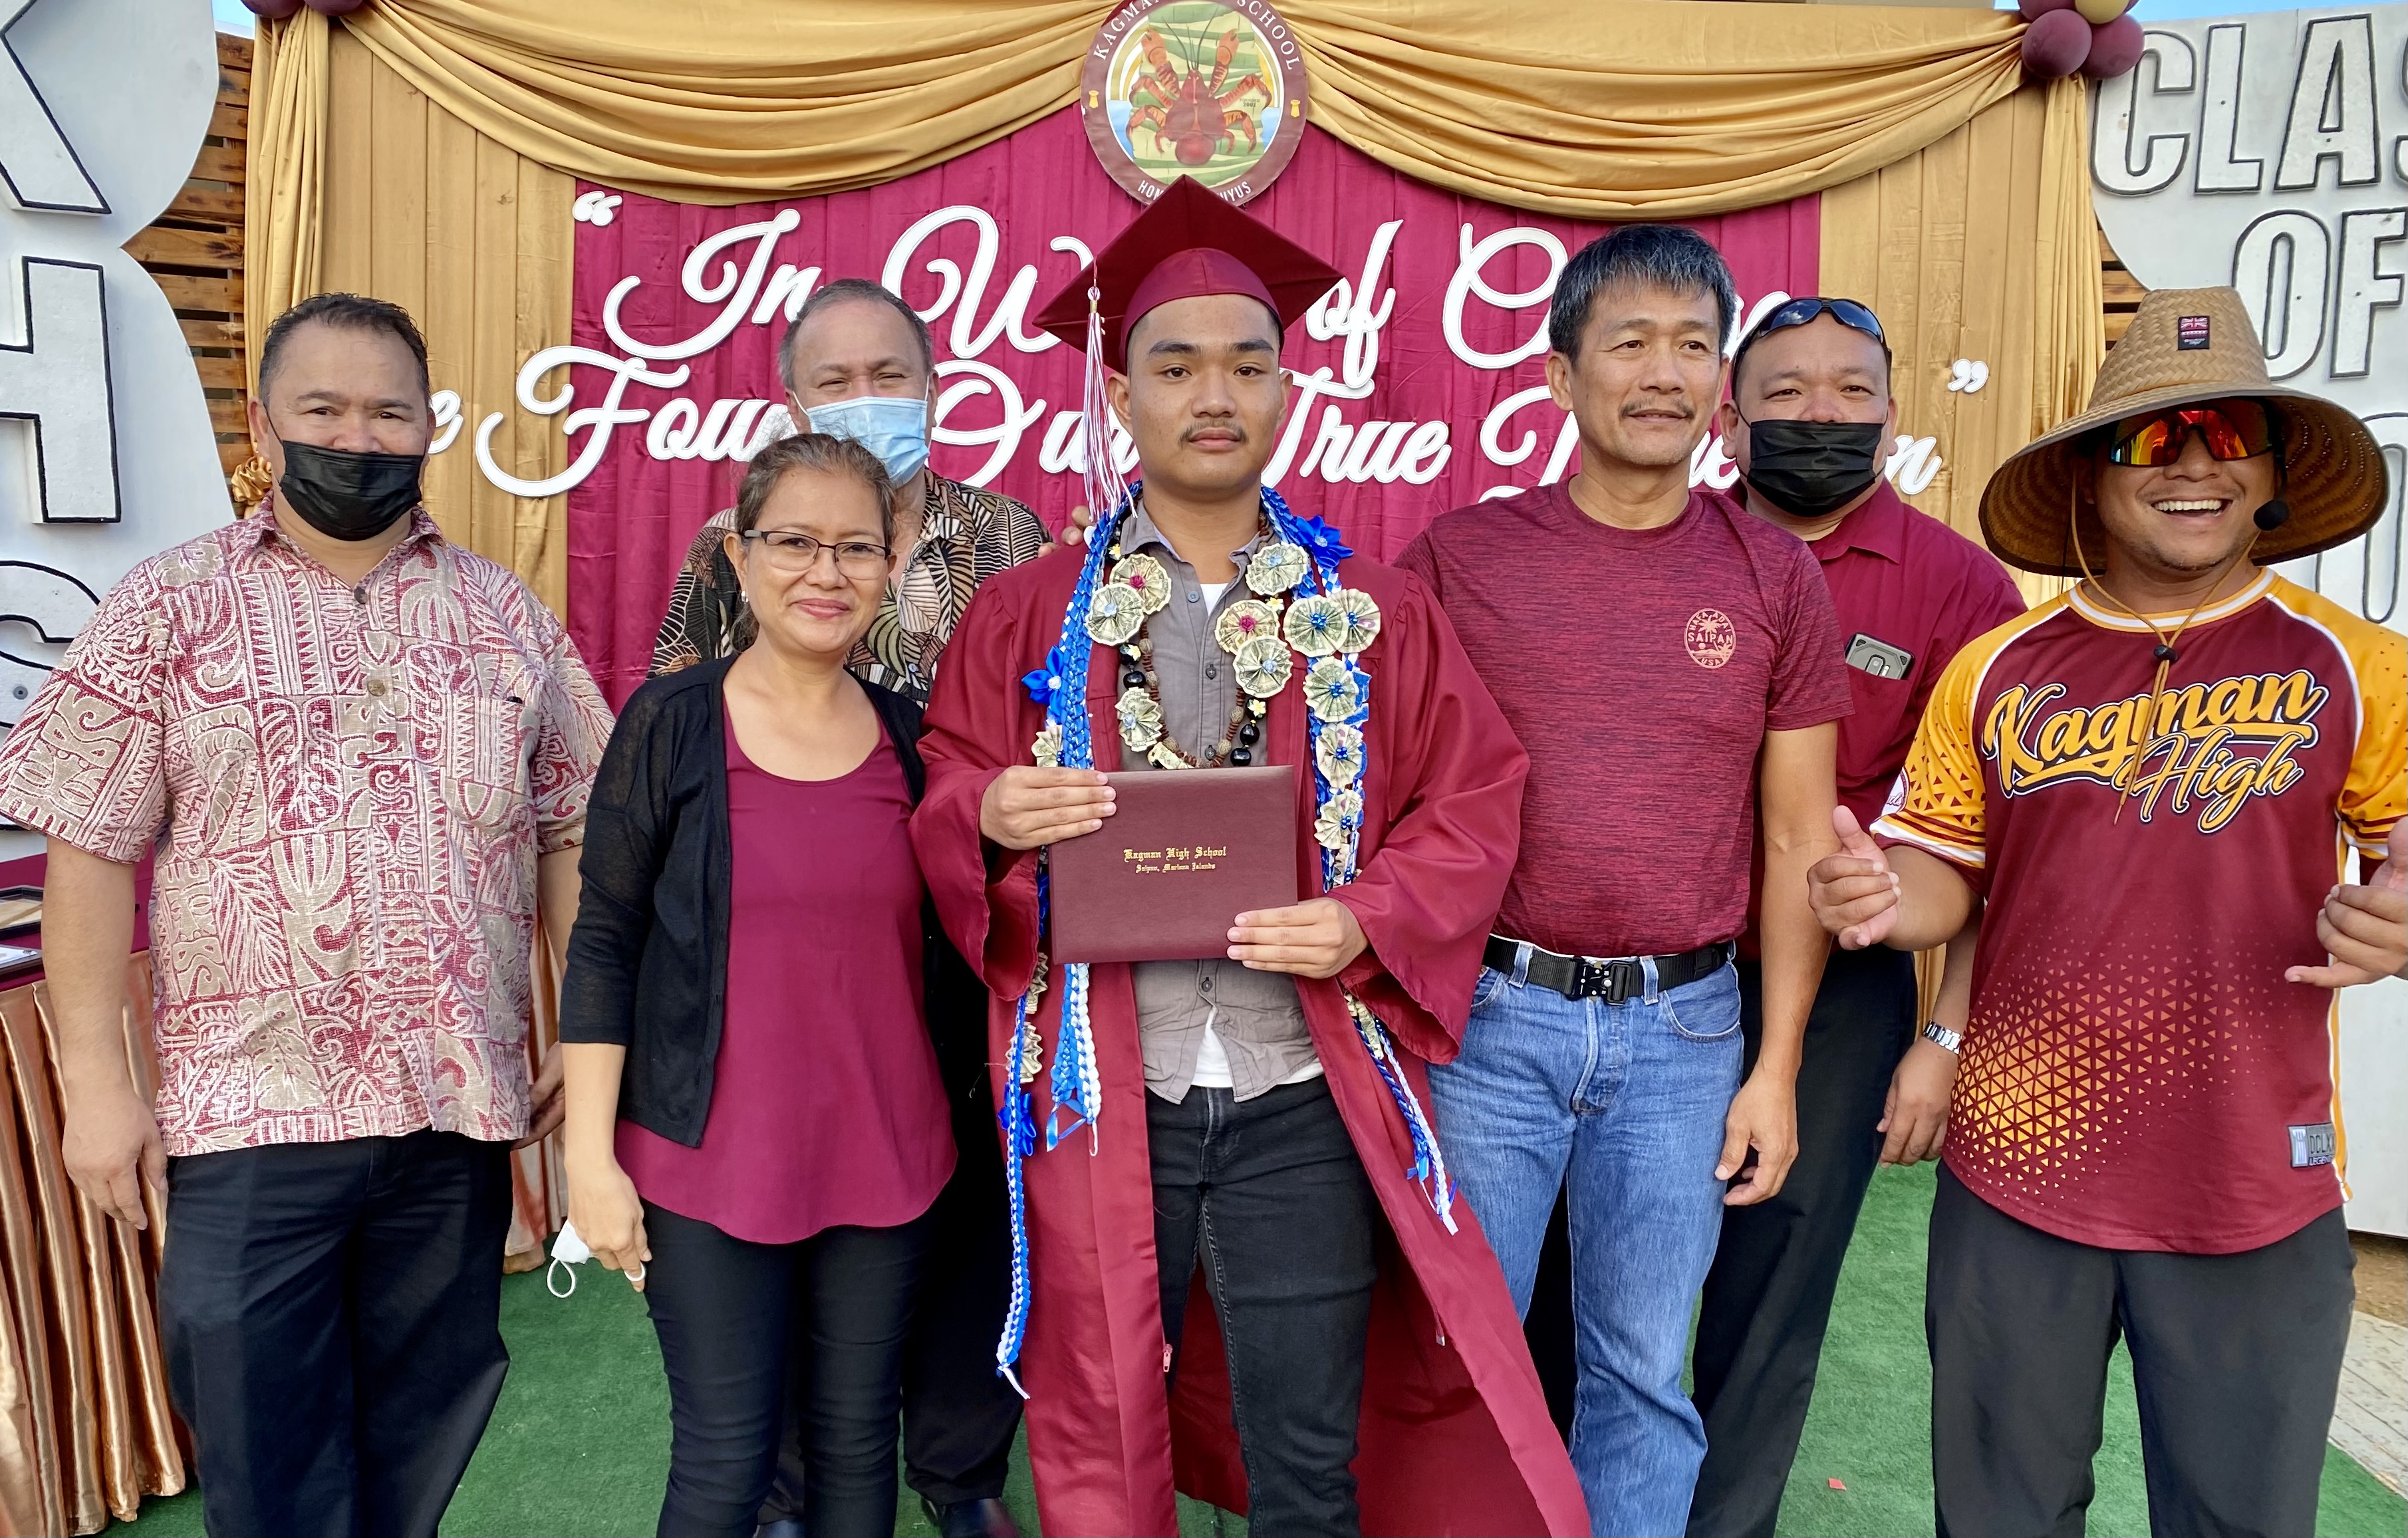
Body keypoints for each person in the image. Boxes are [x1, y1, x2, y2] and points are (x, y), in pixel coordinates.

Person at [910, 176, 1585, 1538]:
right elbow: (945, 776)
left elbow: (1473, 797)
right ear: (1119, 393)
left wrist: (1367, 916)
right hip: (1104, 1081)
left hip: (1301, 1089)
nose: (1210, 393)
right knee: (1095, 1435)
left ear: (1286, 390)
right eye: (1172, 364)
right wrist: (988, 812)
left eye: (1245, 363)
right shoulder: (1030, 609)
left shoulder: (1373, 607)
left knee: (1304, 1455)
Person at [0, 293, 611, 1537]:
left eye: (390, 410)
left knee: (421, 1427)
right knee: (266, 1450)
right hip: (248, 1115)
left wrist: (585, 1030)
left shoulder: (505, 620)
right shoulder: (166, 610)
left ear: (431, 426)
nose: (360, 435)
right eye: (323, 408)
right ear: (266, 428)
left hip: (455, 1107)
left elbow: (571, 831)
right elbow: (90, 852)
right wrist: (99, 1092)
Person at [1809, 287, 2403, 1537]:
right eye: (2148, 439)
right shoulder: (1997, 668)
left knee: (2243, 1519)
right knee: (2002, 1515)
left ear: (2271, 470)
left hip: (2252, 1178)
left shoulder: (2354, 661)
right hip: (2017, 1175)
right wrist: (1871, 894)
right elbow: (1939, 877)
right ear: (2089, 475)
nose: (2191, 465)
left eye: (2229, 432)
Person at [1396, 226, 1851, 1538]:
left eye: (1692, 346)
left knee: (1641, 1373)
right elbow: (1393, 797)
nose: (1662, 374)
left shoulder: (1772, 572)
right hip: (1489, 1023)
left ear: (1720, 382)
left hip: (1684, 1034)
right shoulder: (1460, 559)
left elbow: (1795, 836)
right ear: (1559, 374)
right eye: (1629, 343)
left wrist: (1771, 1066)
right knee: (1451, 1353)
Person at [649, 276, 1037, 1538]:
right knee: (788, 1217)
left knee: (968, 1211)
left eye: (891, 375)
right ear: (788, 400)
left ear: (934, 385)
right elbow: (675, 734)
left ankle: (962, 1471)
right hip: (791, 954)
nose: (868, 401)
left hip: (972, 938)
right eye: (834, 381)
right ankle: (784, 1485)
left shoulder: (1008, 535)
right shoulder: (736, 547)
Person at [559, 432, 973, 1538]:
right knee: (727, 1458)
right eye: (792, 541)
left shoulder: (910, 740)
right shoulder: (671, 723)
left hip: (886, 1157)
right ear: (739, 558)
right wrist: (588, 1158)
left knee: (853, 1450)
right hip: (708, 1166)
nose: (823, 573)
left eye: (855, 548)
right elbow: (604, 939)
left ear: (890, 569)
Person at [1682, 297, 2027, 1538]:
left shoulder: (1960, 590)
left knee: (1767, 1299)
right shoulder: (1671, 541)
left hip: (1839, 995)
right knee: (1580, 1278)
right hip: (1639, 979)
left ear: (1890, 410)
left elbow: (2006, 851)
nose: (1815, 414)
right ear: (1730, 415)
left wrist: (1941, 1039)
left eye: (1846, 390)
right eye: (1782, 393)